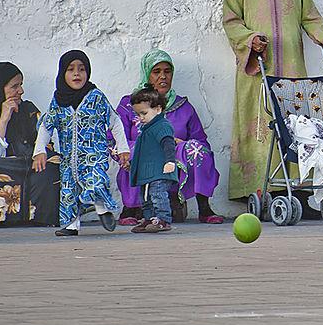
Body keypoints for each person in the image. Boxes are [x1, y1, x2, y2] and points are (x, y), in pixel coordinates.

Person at [222, 0, 323, 202]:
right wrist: (250, 39)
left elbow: (309, 16)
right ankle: (259, 189)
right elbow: (231, 21)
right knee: (261, 124)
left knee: (297, 124)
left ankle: (299, 191)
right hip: (257, 70)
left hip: (291, 70)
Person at [111, 50, 224, 226]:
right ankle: (131, 208)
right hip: (144, 157)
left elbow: (202, 141)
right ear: (147, 74)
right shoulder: (130, 104)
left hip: (173, 159)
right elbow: (116, 138)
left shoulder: (183, 107)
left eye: (167, 71)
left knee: (197, 150)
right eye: (156, 72)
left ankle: (204, 207)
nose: (163, 76)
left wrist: (182, 144)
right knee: (134, 151)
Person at [32, 50, 130, 236]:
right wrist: (40, 151)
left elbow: (115, 121)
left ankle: (101, 207)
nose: (77, 73)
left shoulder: (96, 97)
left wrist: (123, 148)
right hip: (69, 159)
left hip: (95, 155)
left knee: (95, 181)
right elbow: (46, 125)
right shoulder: (58, 101)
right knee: (68, 192)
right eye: (71, 69)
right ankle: (71, 225)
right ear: (63, 73)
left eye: (82, 69)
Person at [0, 62, 60, 227]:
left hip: (29, 166)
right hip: (1, 167)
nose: (21, 91)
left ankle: (41, 217)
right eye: (15, 86)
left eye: (20, 85)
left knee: (54, 163)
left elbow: (45, 145)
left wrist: (39, 154)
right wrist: (4, 118)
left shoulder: (29, 109)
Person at [127, 85, 178, 234]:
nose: (141, 118)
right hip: (148, 173)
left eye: (144, 113)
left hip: (159, 171)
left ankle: (164, 219)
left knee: (157, 194)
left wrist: (170, 161)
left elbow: (168, 143)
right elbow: (143, 152)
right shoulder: (146, 129)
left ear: (158, 109)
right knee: (145, 198)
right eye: (138, 115)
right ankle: (150, 219)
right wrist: (132, 164)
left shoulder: (162, 126)